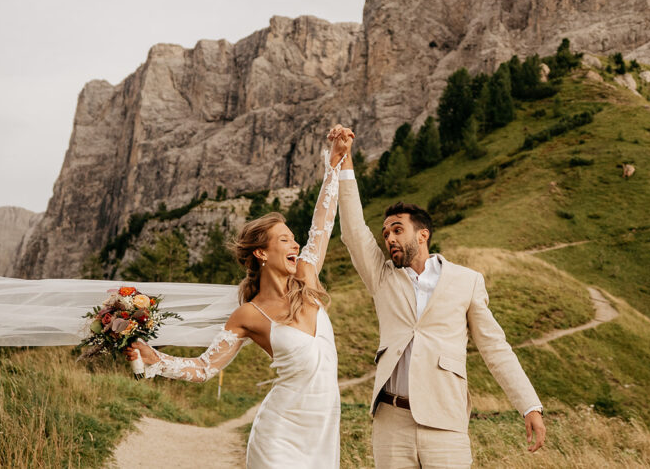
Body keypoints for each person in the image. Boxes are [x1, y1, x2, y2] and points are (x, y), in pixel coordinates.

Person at [125, 128, 348, 468]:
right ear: (261, 252)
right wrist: (155, 358)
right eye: (285, 240)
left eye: (294, 240)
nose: (295, 245)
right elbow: (203, 368)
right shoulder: (249, 315)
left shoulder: (307, 276)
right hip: (279, 435)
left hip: (323, 433)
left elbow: (323, 222)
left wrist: (334, 163)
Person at [329, 124, 546, 468]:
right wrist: (345, 162)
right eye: (386, 233)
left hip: (446, 423)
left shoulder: (467, 281)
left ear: (423, 234)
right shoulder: (383, 277)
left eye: (398, 230)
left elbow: (494, 347)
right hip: (391, 421)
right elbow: (354, 231)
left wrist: (529, 405)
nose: (390, 239)